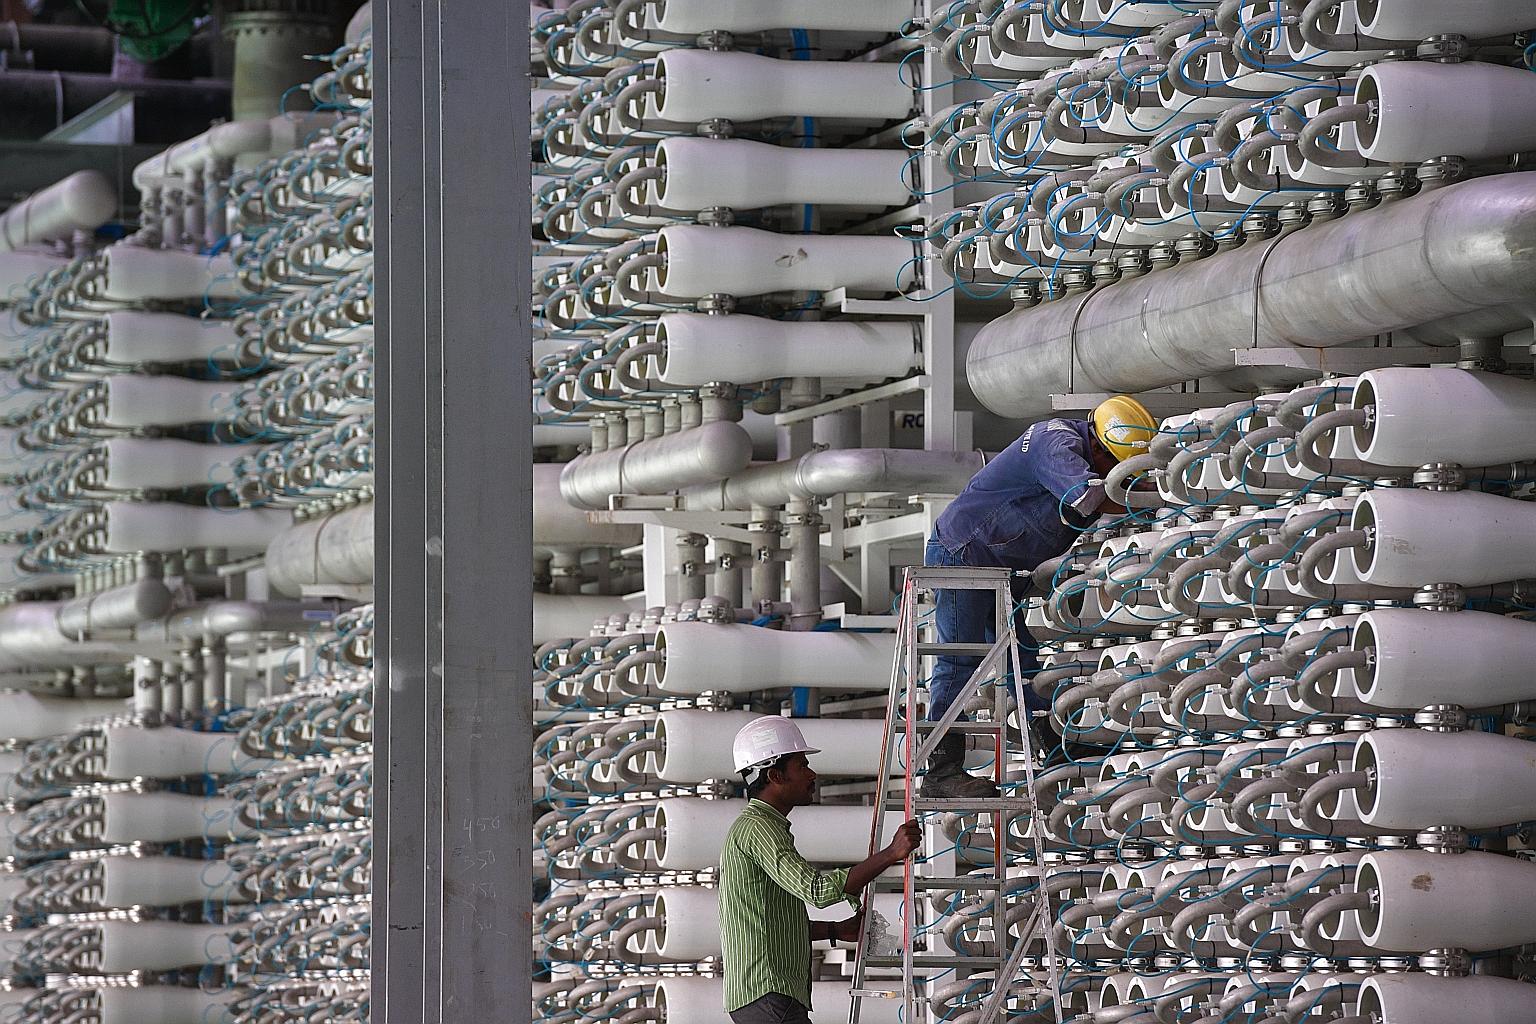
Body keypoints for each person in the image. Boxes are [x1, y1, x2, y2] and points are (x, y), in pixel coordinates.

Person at [920, 395, 1158, 798]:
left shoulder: (1076, 444)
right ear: (1098, 447)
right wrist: (1161, 498)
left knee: (1023, 657)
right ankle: (941, 770)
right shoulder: (1057, 444)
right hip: (966, 554)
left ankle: (1053, 743)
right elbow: (1087, 499)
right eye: (1119, 470)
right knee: (960, 658)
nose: (1123, 479)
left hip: (1000, 561)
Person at [719, 716, 923, 1024]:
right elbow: (818, 891)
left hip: (764, 997)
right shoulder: (759, 829)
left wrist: (834, 931)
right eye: (802, 766)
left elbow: (768, 924)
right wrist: (892, 852)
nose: (812, 774)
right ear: (775, 776)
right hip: (769, 994)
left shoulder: (759, 828)